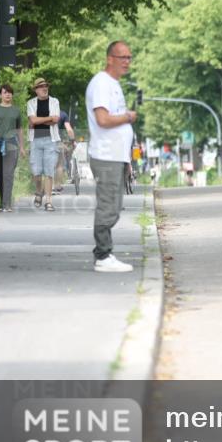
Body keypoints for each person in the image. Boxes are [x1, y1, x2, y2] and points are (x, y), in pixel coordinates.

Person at [86, 40, 138, 273]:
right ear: (110, 59)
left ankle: (105, 254)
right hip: (105, 154)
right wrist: (128, 117)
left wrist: (127, 159)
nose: (127, 61)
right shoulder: (101, 84)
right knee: (108, 206)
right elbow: (103, 120)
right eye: (122, 57)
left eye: (129, 57)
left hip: (116, 156)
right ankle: (103, 255)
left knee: (115, 206)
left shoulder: (114, 85)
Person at [0, 84, 26, 212]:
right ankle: (3, 202)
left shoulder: (16, 111)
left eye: (10, 93)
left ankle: (7, 204)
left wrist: (22, 147)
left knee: (8, 174)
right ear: (0, 95)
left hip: (11, 145)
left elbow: (19, 130)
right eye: (5, 92)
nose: (8, 95)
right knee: (0, 175)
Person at [26, 78, 62, 211]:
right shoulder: (30, 103)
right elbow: (32, 121)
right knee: (36, 171)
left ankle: (49, 201)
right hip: (35, 140)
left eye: (46, 85)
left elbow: (56, 120)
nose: (44, 88)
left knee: (49, 171)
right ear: (36, 90)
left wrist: (38, 121)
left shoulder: (54, 101)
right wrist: (48, 118)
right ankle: (38, 191)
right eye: (41, 86)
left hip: (51, 140)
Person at [53, 109, 77, 194]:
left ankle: (44, 186)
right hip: (56, 141)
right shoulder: (62, 114)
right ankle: (57, 186)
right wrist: (73, 141)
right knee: (59, 164)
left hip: (42, 140)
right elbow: (69, 130)